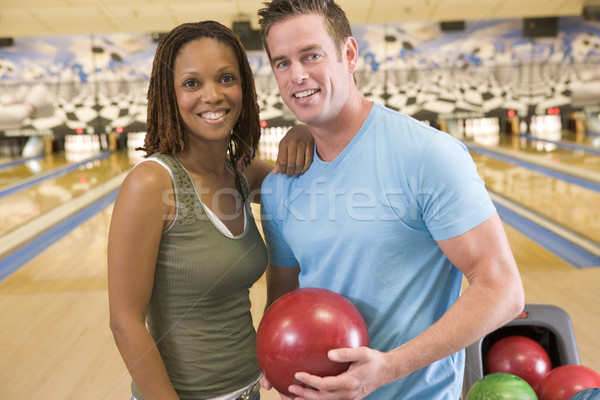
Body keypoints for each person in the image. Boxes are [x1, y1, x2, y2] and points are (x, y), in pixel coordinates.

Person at [256, 1, 525, 399]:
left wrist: (386, 370)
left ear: (349, 54)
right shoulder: (280, 187)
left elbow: (502, 291)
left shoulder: (427, 155)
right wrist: (275, 358)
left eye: (311, 55)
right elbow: (283, 295)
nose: (297, 75)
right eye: (282, 62)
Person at [107, 21, 313, 400]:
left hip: (251, 389)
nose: (213, 95)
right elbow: (125, 323)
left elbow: (308, 182)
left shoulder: (241, 174)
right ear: (169, 95)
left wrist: (305, 132)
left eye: (226, 78)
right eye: (191, 83)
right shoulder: (152, 185)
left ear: (244, 88)